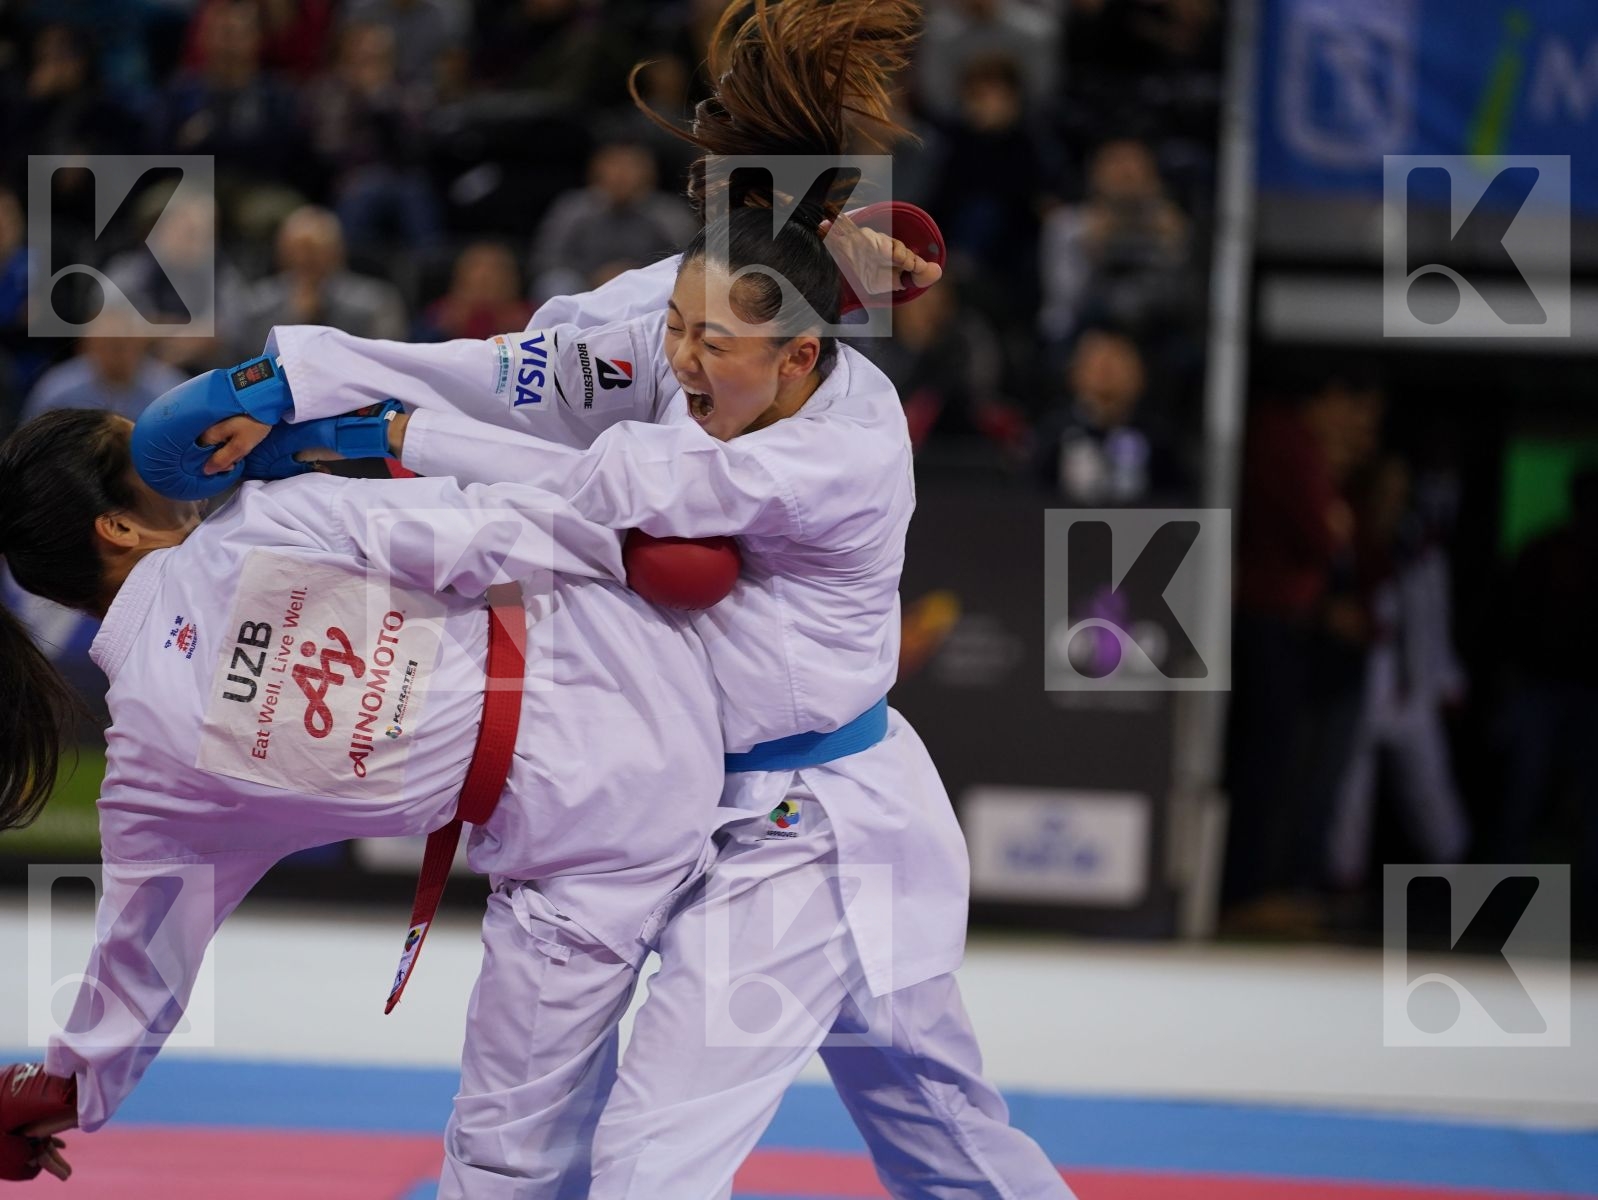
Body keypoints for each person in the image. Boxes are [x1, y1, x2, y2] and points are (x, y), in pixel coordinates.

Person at [186, 3, 1075, 1195]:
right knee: (950, 1140)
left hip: (809, 830)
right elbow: (531, 368)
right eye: (679, 330)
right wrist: (309, 376)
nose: (682, 358)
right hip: (691, 801)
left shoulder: (835, 449)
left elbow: (599, 490)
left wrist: (392, 440)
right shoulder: (708, 319)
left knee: (655, 1163)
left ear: (802, 351)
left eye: (715, 342)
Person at [0, 405, 727, 1194]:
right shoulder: (258, 524)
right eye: (142, 449)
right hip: (645, 684)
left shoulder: (150, 773)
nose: (170, 449)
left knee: (508, 1160)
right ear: (119, 527)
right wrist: (631, 538)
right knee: (771, 1068)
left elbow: (142, 950)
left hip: (575, 846)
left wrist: (70, 1086)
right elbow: (478, 524)